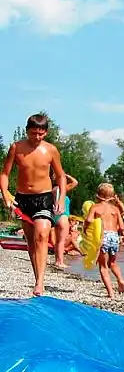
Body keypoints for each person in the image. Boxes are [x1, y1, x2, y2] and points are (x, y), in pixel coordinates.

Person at [0, 113, 66, 296]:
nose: (36, 137)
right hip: (23, 199)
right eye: (32, 133)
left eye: (40, 134)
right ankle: (37, 276)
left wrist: (60, 199)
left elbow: (60, 176)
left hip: (44, 197)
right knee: (31, 242)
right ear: (27, 130)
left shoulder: (51, 150)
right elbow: (4, 173)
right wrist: (5, 193)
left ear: (46, 132)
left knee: (42, 236)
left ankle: (40, 282)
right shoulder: (16, 147)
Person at [85, 183, 124, 298]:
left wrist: (85, 229)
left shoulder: (95, 207)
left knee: (103, 266)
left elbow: (89, 220)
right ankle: (121, 280)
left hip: (103, 236)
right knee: (112, 263)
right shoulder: (115, 209)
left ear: (98, 195)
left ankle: (111, 293)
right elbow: (122, 226)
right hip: (114, 236)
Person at [52, 172, 79, 269]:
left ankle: (57, 260)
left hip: (55, 216)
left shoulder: (53, 190)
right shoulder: (62, 189)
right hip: (63, 216)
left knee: (58, 241)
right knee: (61, 241)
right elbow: (75, 182)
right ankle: (60, 262)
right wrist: (66, 175)